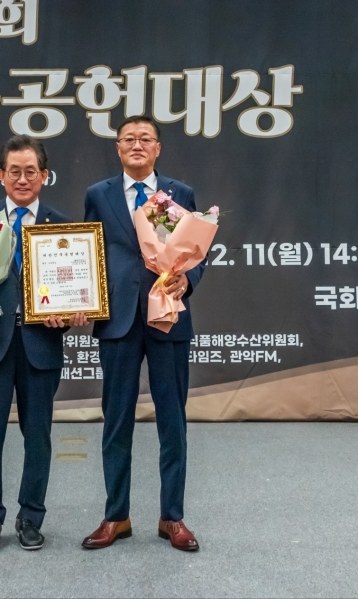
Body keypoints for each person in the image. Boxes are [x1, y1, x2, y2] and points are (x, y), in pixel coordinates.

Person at [0, 134, 87, 554]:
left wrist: (77, 310)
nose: (22, 179)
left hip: (41, 344)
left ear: (44, 175)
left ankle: (31, 516)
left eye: (31, 171)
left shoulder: (64, 227)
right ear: (1, 175)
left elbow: (76, 286)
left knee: (38, 436)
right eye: (14, 171)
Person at [81, 115, 207, 552]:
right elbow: (89, 253)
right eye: (129, 138)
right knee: (116, 421)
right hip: (117, 319)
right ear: (118, 148)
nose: (137, 144)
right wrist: (80, 298)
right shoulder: (98, 195)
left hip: (168, 315)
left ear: (158, 148)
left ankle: (173, 517)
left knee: (173, 421)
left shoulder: (179, 192)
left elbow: (197, 251)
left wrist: (188, 280)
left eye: (145, 138)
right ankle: (116, 516)